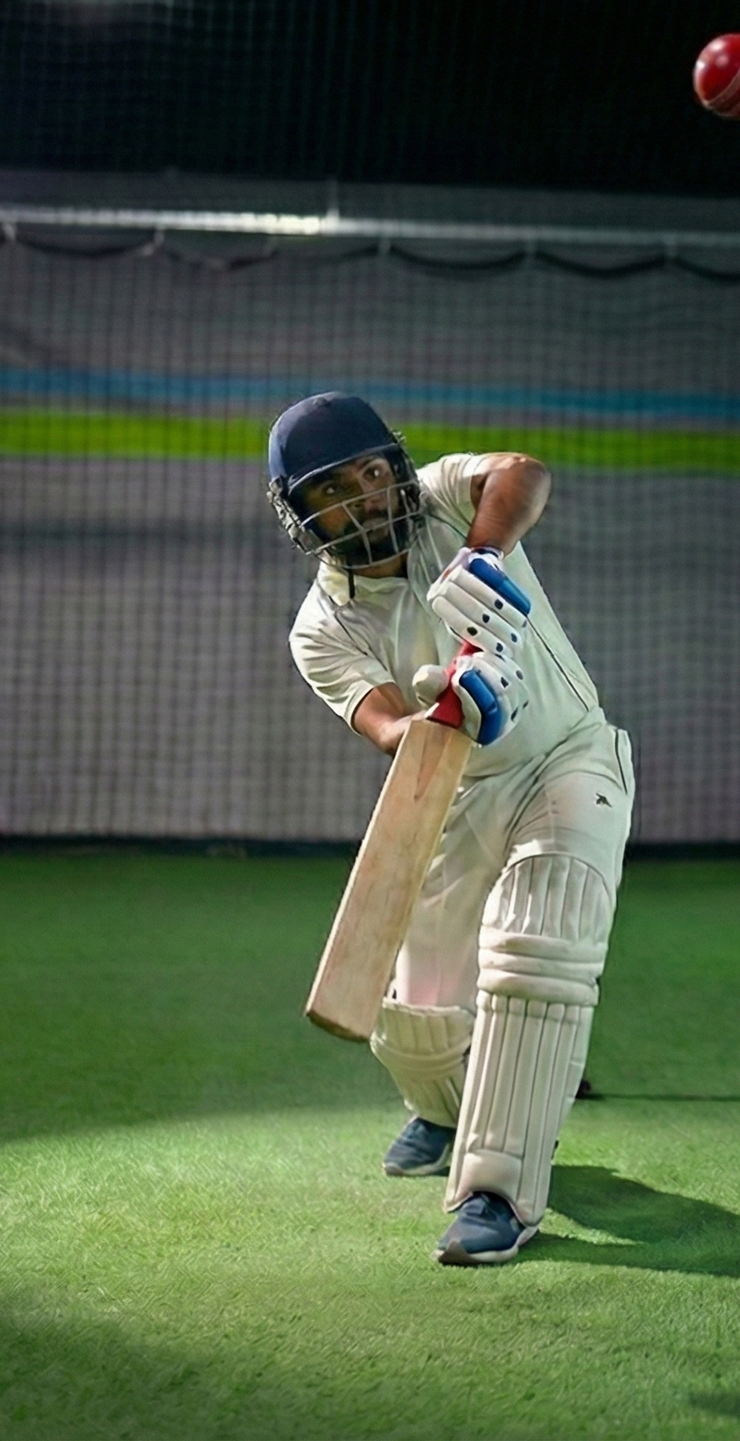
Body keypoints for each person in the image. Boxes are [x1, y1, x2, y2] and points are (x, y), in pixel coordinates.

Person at [268, 392, 633, 1266]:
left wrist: (481, 556)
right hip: (451, 788)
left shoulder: (442, 498)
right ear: (303, 516)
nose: (364, 498)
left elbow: (522, 472)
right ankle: (437, 1108)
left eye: (371, 474)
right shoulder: (322, 628)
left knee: (534, 947)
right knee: (416, 1019)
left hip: (567, 757)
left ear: (395, 467)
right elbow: (387, 728)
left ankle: (494, 1193)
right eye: (335, 491)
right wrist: (444, 712)